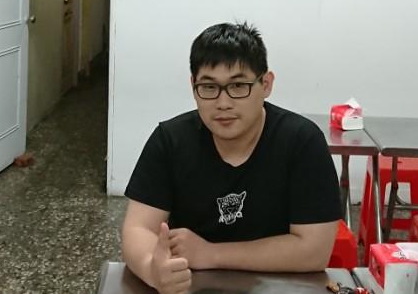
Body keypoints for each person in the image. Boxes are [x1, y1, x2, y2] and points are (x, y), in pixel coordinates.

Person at [121, 22, 341, 293]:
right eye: (209, 87)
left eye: (238, 86)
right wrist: (153, 271)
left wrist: (210, 254)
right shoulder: (170, 140)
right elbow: (138, 228)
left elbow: (314, 250)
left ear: (266, 84)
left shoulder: (302, 142)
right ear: (193, 86)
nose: (223, 103)